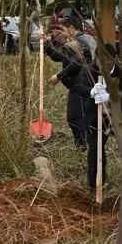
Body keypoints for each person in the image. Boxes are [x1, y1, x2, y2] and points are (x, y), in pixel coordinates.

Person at [84, 43, 122, 197]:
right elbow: (79, 86)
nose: (105, 65)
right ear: (95, 59)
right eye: (101, 62)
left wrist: (110, 96)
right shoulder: (90, 70)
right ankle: (96, 186)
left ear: (115, 59)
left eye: (109, 63)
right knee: (94, 151)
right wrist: (91, 92)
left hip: (120, 116)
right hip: (96, 117)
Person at [47, 17, 94, 151]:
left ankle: (83, 146)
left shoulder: (79, 42)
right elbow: (60, 56)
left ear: (71, 28)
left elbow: (75, 62)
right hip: (80, 85)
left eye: (65, 29)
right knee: (80, 117)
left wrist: (59, 76)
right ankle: (84, 145)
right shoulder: (76, 42)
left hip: (80, 86)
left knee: (74, 118)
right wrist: (46, 43)